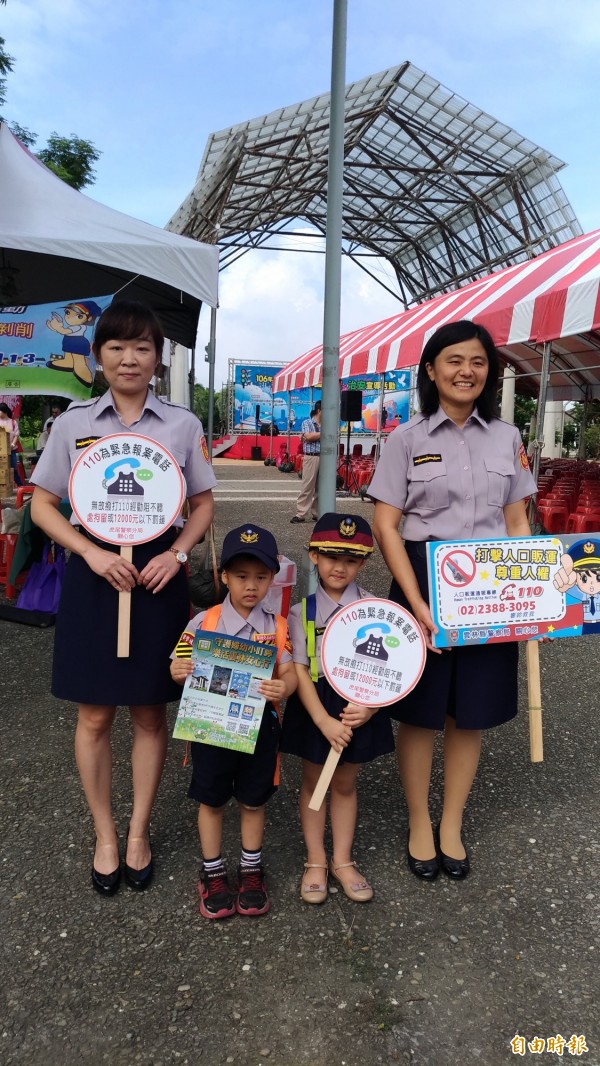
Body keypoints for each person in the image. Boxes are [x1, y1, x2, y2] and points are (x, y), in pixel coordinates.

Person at [30, 300, 216, 896]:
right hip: (95, 577)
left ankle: (138, 832)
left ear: (158, 359)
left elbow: (204, 504)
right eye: (116, 347)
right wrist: (88, 552)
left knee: (149, 711)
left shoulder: (183, 426)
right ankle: (104, 834)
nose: (129, 358)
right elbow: (40, 504)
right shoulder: (73, 422)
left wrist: (178, 554)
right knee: (93, 713)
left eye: (141, 347)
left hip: (158, 578)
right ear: (99, 357)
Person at [369, 319, 537, 880]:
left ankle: (451, 824)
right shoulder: (406, 439)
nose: (467, 371)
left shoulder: (507, 438)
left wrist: (532, 594)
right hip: (424, 577)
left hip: (492, 583)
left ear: (489, 372)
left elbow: (517, 519)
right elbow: (387, 524)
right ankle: (420, 820)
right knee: (420, 713)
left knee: (471, 715)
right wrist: (415, 602)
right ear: (431, 370)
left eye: (478, 362)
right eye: (454, 360)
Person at [170, 524, 297, 919]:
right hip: (210, 728)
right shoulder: (201, 623)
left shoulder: (276, 627)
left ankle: (251, 868)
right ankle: (213, 872)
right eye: (241, 576)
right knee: (211, 798)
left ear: (272, 579)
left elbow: (290, 672)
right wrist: (178, 670)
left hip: (259, 729)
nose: (251, 586)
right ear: (223, 576)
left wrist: (283, 687)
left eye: (261, 577)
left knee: (253, 799)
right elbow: (176, 664)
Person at [280, 513, 394, 904]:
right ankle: (316, 859)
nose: (338, 567)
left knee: (345, 784)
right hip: (319, 706)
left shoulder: (377, 610)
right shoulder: (301, 612)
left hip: (360, 704)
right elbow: (298, 667)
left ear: (363, 563)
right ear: (313, 555)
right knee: (315, 783)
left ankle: (343, 860)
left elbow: (393, 668)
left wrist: (371, 709)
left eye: (350, 559)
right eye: (329, 556)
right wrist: (321, 720)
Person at [291, 405, 321, 523]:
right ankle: (301, 513)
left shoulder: (328, 423)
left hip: (325, 457)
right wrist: (325, 433)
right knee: (307, 486)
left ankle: (317, 513)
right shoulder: (307, 422)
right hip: (311, 457)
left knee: (321, 488)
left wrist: (314, 436)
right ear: (319, 410)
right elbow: (308, 437)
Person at [0, 401, 23, 487]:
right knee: (2, 469)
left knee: (13, 468)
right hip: (1, 450)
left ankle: (20, 485)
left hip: (11, 450)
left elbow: (16, 435)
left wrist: (13, 444)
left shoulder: (13, 422)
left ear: (4, 411)